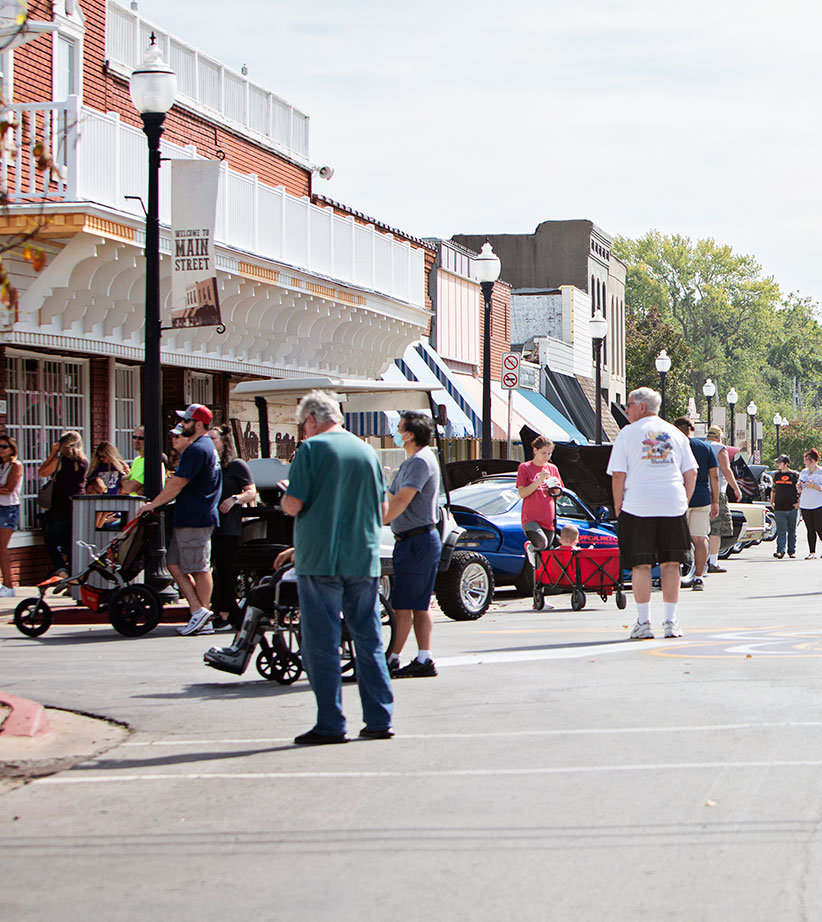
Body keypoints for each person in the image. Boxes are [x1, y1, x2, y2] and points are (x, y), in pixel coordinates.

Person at [281, 389, 393, 745]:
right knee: (369, 640)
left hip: (322, 557)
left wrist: (286, 495)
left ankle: (331, 722)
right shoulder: (366, 451)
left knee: (321, 642)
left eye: (303, 425)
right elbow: (382, 509)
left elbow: (294, 504)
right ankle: (379, 718)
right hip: (363, 556)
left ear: (312, 419)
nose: (304, 431)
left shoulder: (312, 450)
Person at [607, 387, 697, 640]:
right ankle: (670, 621)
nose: (626, 410)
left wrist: (618, 508)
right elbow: (691, 472)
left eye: (628, 405)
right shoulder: (676, 434)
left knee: (641, 564)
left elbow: (618, 474)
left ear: (641, 406)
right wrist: (683, 500)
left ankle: (644, 622)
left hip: (638, 505)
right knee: (672, 564)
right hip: (672, 504)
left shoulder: (627, 433)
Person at [140, 404, 221, 635]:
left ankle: (204, 615)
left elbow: (177, 483)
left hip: (196, 518)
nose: (182, 425)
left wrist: (152, 504)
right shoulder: (202, 447)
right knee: (173, 564)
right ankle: (198, 611)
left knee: (200, 568)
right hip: (189, 516)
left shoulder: (197, 449)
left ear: (197, 424)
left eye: (186, 421)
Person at [384, 411, 442, 679]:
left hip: (418, 539)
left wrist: (379, 520)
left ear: (409, 434)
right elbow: (391, 495)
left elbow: (401, 500)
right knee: (414, 604)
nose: (395, 432)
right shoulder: (410, 462)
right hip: (408, 539)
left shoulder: (420, 461)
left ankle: (394, 658)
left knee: (406, 604)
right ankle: (421, 657)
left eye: (399, 428)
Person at [208, 424, 257, 630]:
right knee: (209, 570)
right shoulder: (207, 464)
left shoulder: (236, 465)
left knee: (225, 569)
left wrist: (235, 498)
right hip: (207, 523)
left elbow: (251, 491)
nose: (209, 443)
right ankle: (216, 608)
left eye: (213, 439)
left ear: (223, 442)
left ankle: (226, 613)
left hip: (228, 526)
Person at [673, 418, 718, 591]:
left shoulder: (673, 447)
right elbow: (713, 476)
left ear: (677, 429)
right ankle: (699, 577)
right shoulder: (705, 447)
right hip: (701, 498)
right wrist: (715, 501)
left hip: (679, 498)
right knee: (700, 539)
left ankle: (675, 576)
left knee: (676, 539)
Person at [39, 430, 88, 577]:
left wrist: (53, 453)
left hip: (60, 505)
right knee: (72, 544)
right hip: (78, 506)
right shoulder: (83, 462)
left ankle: (61, 569)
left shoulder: (60, 461)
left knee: (51, 540)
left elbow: (42, 472)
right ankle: (73, 579)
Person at [517, 436, 564, 562]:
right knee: (541, 543)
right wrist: (539, 480)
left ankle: (537, 579)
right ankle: (529, 548)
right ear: (535, 450)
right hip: (531, 517)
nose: (546, 456)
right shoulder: (525, 468)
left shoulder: (553, 469)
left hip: (548, 518)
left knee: (545, 552)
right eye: (543, 453)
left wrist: (555, 487)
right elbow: (522, 493)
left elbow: (558, 496)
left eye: (549, 453)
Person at [705, 425, 742, 573]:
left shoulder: (698, 446)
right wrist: (736, 488)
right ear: (719, 437)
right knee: (716, 528)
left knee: (700, 529)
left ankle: (699, 561)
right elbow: (726, 470)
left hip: (698, 491)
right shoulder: (720, 448)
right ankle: (712, 562)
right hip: (716, 492)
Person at [0, 435, 22, 596]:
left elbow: (9, 488)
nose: (1, 450)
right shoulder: (1, 466)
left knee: (2, 547)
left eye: (4, 446)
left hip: (9, 509)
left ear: (12, 448)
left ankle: (9, 586)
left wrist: (3, 488)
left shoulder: (15, 465)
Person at [771, 454, 799, 559]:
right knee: (781, 531)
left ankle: (792, 551)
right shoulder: (776, 475)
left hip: (792, 507)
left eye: (780, 462)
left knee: (792, 531)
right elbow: (773, 489)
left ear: (786, 464)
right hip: (779, 507)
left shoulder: (794, 475)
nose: (778, 464)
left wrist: (798, 503)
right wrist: (772, 502)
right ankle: (780, 551)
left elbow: (800, 490)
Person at [797, 449, 822, 559]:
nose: (804, 462)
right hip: (805, 503)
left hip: (818, 503)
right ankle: (812, 552)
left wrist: (813, 486)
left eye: (806, 460)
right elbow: (800, 488)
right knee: (810, 529)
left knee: (819, 528)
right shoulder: (803, 472)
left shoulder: (820, 472)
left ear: (812, 460)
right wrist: (798, 486)